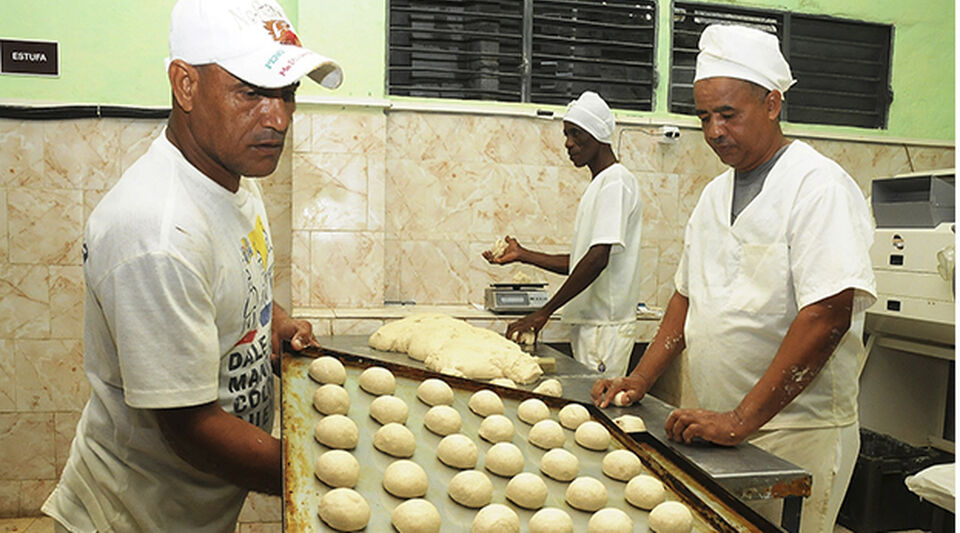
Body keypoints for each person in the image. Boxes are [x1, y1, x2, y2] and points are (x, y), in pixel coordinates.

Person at [41, 1, 340, 531]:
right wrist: (328, 474)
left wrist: (271, 323)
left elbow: (232, 288)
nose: (279, 118)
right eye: (251, 92)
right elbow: (190, 428)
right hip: (129, 518)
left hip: (191, 512)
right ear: (185, 85)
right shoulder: (156, 232)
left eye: (287, 93)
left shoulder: (233, 177)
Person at [591, 24, 876, 532]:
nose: (714, 131)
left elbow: (826, 315)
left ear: (771, 103)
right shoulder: (713, 196)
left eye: (728, 114)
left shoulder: (817, 186)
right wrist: (640, 379)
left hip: (794, 433)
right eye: (704, 117)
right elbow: (685, 298)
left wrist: (743, 419)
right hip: (716, 427)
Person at [484, 91, 643, 377]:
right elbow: (583, 260)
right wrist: (523, 255)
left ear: (597, 135)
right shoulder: (601, 184)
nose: (568, 144)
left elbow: (597, 260)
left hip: (604, 330)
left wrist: (543, 311)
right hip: (591, 328)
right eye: (566, 135)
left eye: (576, 134)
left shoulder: (616, 182)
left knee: (596, 414)